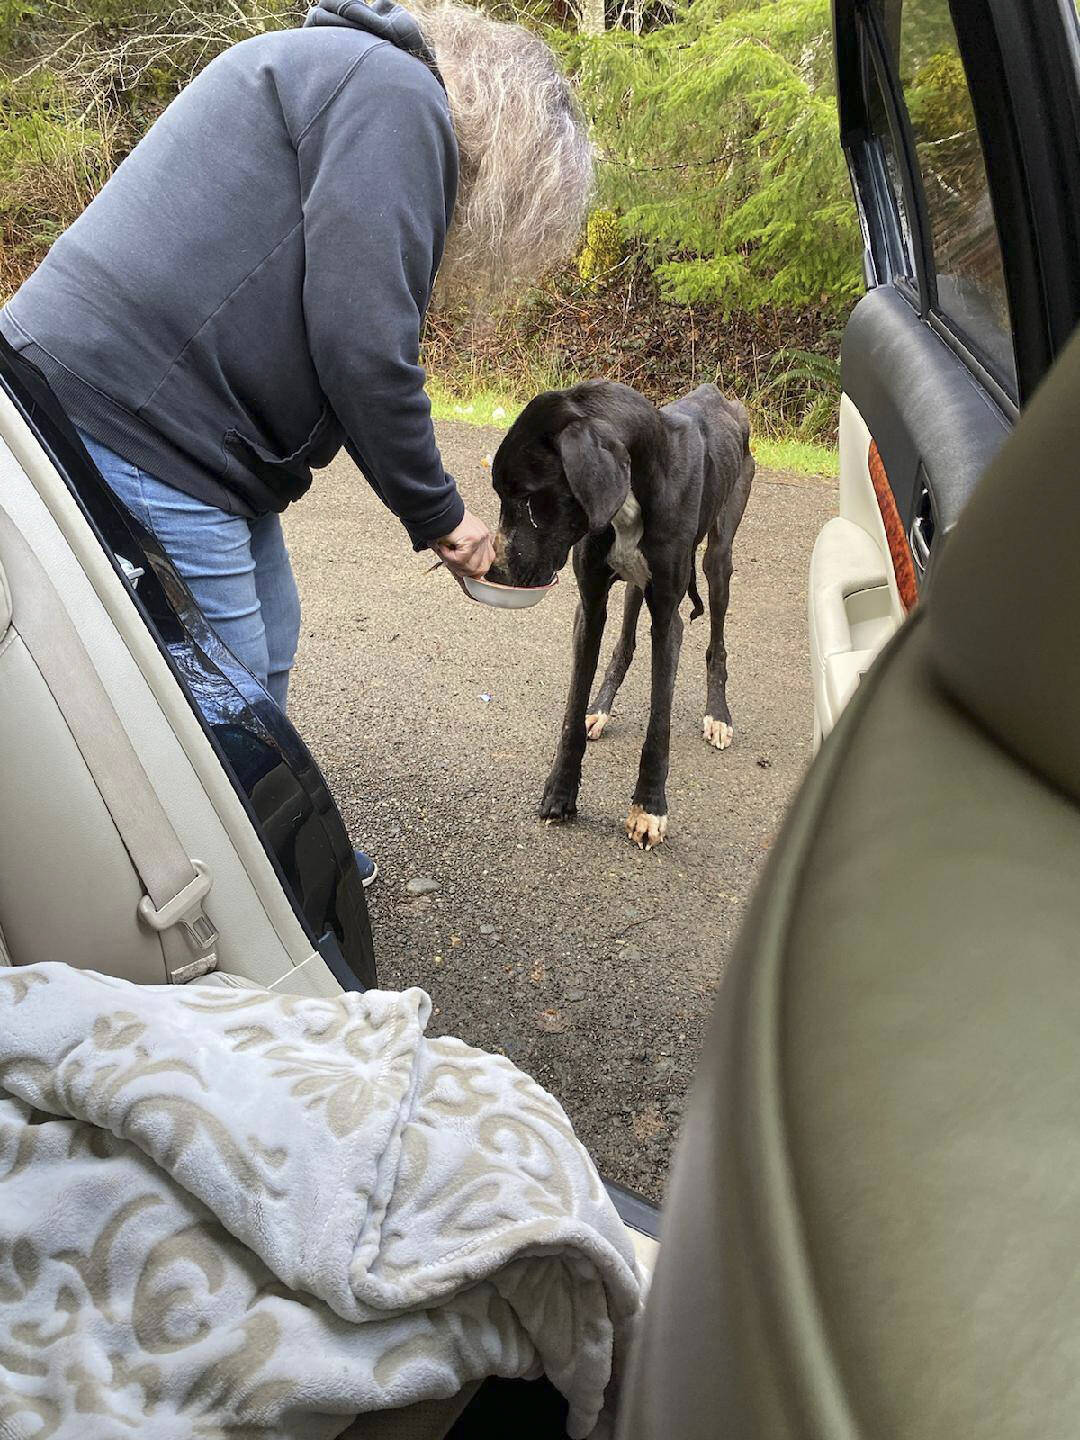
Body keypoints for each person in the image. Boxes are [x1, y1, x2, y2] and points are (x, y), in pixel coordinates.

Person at [0, 0, 593, 887]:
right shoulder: (393, 97)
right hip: (139, 421)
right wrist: (443, 515)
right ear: (507, 130)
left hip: (180, 430)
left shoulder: (346, 79)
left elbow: (329, 333)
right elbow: (361, 347)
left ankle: (280, 850)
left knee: (269, 636)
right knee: (220, 698)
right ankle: (250, 904)